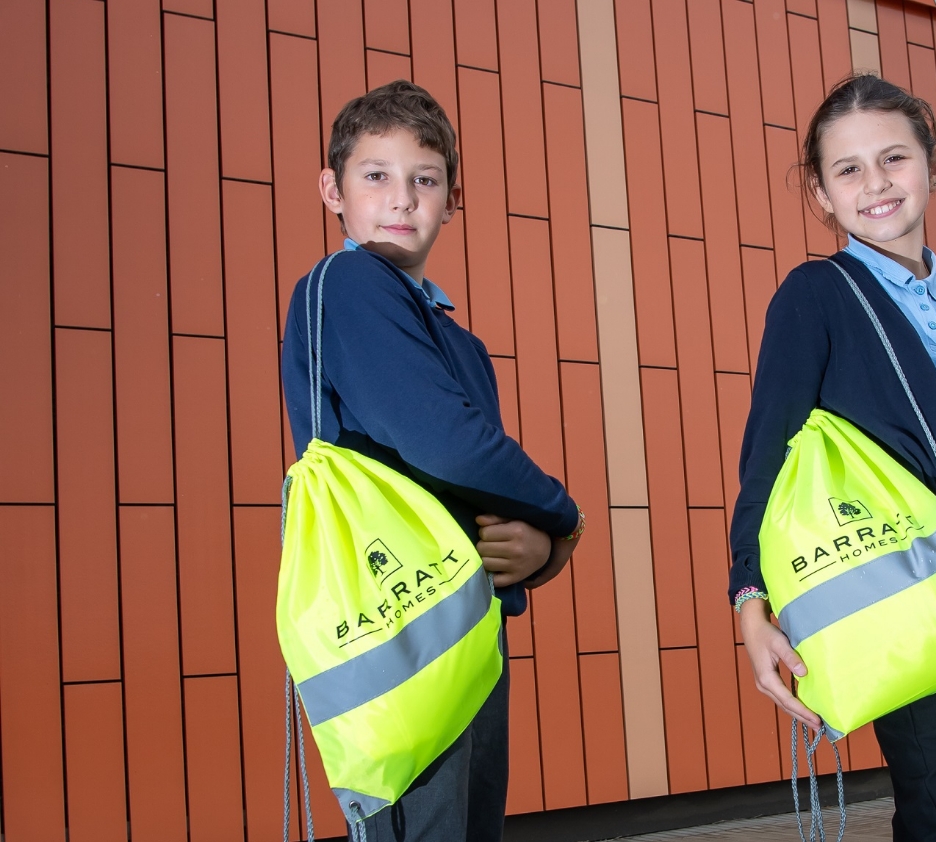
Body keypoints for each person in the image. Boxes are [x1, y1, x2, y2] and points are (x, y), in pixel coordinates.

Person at [728, 73, 936, 841]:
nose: (875, 184)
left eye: (894, 159)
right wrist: (750, 597)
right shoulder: (817, 295)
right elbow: (766, 454)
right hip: (907, 594)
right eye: (848, 169)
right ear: (820, 193)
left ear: (934, 164)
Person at [280, 79, 585, 842]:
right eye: (374, 176)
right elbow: (445, 442)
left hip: (464, 622)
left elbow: (479, 492)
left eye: (425, 180)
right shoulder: (346, 283)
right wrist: (565, 518)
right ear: (332, 189)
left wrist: (537, 551)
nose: (401, 198)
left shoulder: (459, 339)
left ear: (454, 197)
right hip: (398, 622)